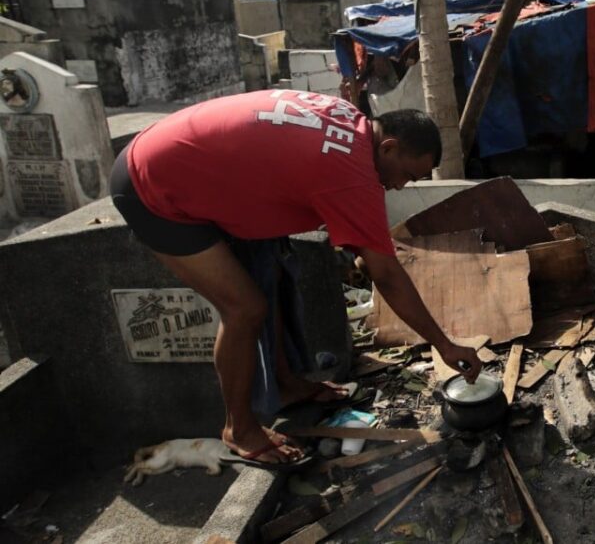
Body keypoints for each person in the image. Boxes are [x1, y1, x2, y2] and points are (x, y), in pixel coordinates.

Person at [109, 90, 482, 466]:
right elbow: (383, 273)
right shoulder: (352, 175)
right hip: (151, 187)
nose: (400, 187)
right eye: (406, 175)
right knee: (244, 308)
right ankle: (238, 428)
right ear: (387, 148)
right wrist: (444, 345)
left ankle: (286, 386)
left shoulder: (348, 119)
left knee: (269, 275)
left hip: (181, 158)